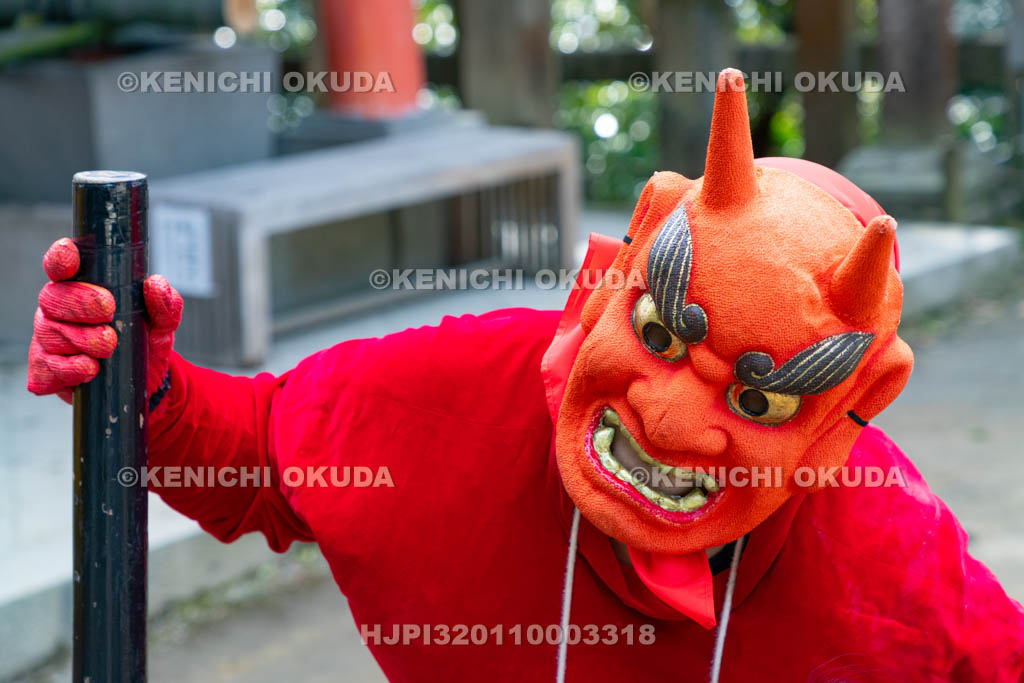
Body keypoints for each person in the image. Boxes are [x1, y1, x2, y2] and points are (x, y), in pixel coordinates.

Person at [27, 69, 1024, 682]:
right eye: (662, 334)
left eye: (757, 395)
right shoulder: (458, 386)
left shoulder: (885, 546)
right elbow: (250, 452)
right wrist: (134, 383)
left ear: (841, 420)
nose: (671, 415)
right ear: (611, 279)